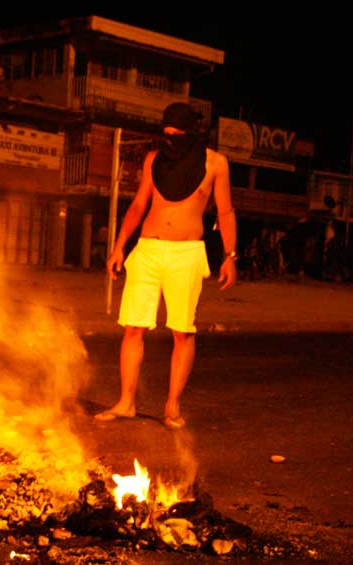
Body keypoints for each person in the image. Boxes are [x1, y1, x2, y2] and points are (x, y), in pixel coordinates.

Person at [95, 102, 237, 430]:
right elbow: (140, 204)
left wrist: (230, 257)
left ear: (191, 132)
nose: (170, 139)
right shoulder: (153, 161)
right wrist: (119, 247)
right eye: (166, 134)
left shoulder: (216, 163)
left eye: (177, 134)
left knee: (182, 331)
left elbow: (225, 211)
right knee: (133, 327)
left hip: (186, 253)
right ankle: (126, 402)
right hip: (147, 248)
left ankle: (172, 406)